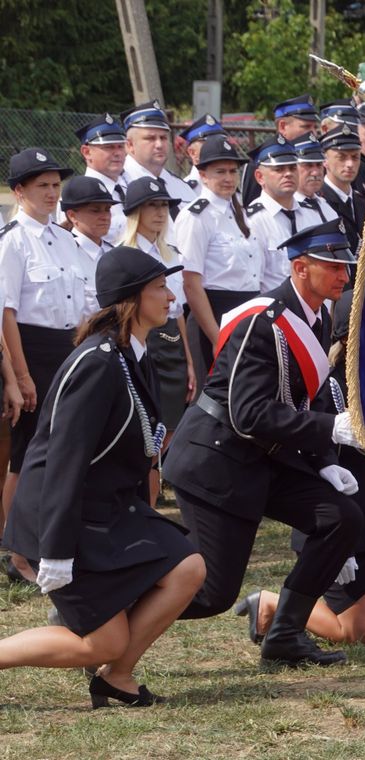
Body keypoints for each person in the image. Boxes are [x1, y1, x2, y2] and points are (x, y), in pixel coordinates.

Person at [164, 220, 365, 668]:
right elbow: (248, 413)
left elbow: (313, 391)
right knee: (213, 593)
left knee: (339, 517)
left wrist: (323, 461)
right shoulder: (263, 322)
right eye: (335, 266)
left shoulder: (318, 315)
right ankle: (107, 616)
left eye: (347, 266)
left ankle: (283, 635)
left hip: (266, 456)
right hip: (217, 460)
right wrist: (329, 429)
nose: (345, 275)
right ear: (300, 268)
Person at [0, 245, 205, 708]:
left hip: (105, 509)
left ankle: (118, 678)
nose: (171, 297)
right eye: (159, 288)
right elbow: (63, 460)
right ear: (132, 299)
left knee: (187, 565)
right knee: (100, 643)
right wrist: (53, 552)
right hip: (66, 520)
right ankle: (109, 662)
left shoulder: (130, 352)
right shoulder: (96, 362)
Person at [236, 304, 365, 645]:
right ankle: (271, 603)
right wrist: (337, 544)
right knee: (359, 636)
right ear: (348, 339)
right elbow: (311, 464)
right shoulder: (323, 389)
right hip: (337, 528)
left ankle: (360, 614)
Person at [0, 149, 95, 585]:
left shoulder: (65, 237)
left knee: (61, 449)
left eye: (56, 185)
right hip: (32, 350)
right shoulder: (12, 240)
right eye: (42, 186)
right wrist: (20, 376)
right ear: (19, 191)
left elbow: (81, 303)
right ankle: (16, 550)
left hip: (68, 346)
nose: (52, 193)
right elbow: (7, 313)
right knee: (26, 453)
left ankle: (47, 539)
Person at [173, 134, 261, 397]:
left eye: (233, 171)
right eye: (219, 171)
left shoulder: (240, 212)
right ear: (202, 174)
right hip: (212, 315)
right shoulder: (196, 216)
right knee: (212, 399)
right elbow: (191, 282)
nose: (228, 178)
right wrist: (216, 336)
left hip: (245, 313)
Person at [119, 179, 195, 474]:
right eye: (152, 205)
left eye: (164, 205)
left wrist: (189, 360)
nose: (160, 212)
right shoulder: (124, 252)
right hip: (141, 338)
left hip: (172, 340)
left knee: (171, 423)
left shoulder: (171, 252)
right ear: (135, 211)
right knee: (145, 423)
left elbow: (178, 311)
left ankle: (157, 481)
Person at [245, 136, 321, 293]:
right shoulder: (253, 220)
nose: (288, 174)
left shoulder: (311, 213)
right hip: (274, 311)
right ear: (260, 177)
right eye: (279, 169)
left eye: (292, 168)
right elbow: (253, 282)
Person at [119, 101, 197, 214]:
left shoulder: (180, 186)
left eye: (163, 138)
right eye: (150, 138)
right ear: (130, 145)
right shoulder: (119, 186)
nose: (159, 145)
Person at [242, 94, 320, 204]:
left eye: (315, 127)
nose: (314, 133)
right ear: (283, 126)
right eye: (306, 127)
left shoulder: (317, 158)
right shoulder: (262, 162)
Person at [61, 177, 118, 315]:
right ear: (72, 215)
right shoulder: (63, 253)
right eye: (95, 210)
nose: (105, 216)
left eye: (107, 209)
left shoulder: (114, 254)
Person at [73, 114, 129, 242]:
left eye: (120, 146)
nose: (117, 153)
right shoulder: (78, 195)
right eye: (108, 147)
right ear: (87, 152)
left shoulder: (130, 187)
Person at [319, 126, 365, 252]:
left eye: (355, 157)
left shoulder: (363, 202)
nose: (350, 164)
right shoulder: (318, 202)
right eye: (342, 157)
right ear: (325, 160)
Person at [291, 133, 338, 222]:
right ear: (293, 168)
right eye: (308, 165)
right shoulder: (288, 209)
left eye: (319, 165)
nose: (315, 172)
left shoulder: (326, 206)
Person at [178, 114, 226, 192]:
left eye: (220, 142)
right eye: (208, 143)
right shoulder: (183, 190)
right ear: (192, 153)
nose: (216, 147)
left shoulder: (231, 187)